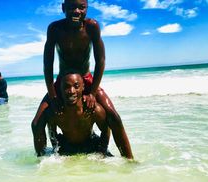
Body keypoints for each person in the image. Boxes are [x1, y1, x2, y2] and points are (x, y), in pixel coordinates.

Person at [31, 0, 134, 159]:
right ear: (63, 8)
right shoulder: (55, 29)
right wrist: (52, 95)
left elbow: (101, 61)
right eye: (72, 7)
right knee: (36, 124)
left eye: (81, 7)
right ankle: (43, 162)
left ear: (87, 8)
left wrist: (92, 92)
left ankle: (130, 161)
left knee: (114, 117)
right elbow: (47, 64)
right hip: (63, 82)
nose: (77, 11)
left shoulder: (92, 27)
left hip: (86, 79)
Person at [32, 72, 111, 156]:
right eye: (66, 87)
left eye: (76, 86)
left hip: (90, 144)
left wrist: (102, 151)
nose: (71, 91)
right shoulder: (55, 112)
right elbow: (52, 132)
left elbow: (106, 129)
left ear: (83, 87)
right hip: (67, 146)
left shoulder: (93, 109)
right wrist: (56, 152)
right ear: (60, 89)